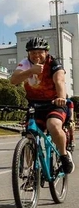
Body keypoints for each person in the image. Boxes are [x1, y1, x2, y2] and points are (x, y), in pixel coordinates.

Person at [9, 36, 74, 174]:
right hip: (35, 105)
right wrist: (31, 71)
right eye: (32, 52)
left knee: (53, 125)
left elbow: (60, 81)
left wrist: (61, 97)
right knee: (29, 136)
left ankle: (64, 156)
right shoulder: (26, 63)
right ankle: (33, 172)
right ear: (28, 54)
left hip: (54, 103)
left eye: (39, 52)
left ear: (46, 52)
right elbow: (13, 80)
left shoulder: (53, 63)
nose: (36, 55)